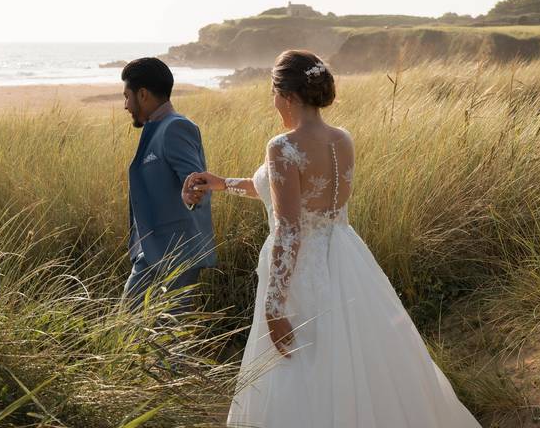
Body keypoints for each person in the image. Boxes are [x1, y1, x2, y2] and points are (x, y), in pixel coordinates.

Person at [185, 50, 482, 427]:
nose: (273, 101)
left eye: (273, 93)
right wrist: (222, 183)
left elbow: (290, 228)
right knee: (357, 357)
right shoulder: (342, 139)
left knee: (301, 364)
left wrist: (274, 307)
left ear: (287, 96)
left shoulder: (282, 146)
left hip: (302, 270)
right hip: (345, 255)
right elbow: (293, 194)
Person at [121, 57, 216, 313]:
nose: (126, 105)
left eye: (127, 96)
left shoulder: (176, 127)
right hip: (152, 252)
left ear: (142, 94)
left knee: (164, 339)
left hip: (176, 253)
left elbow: (196, 181)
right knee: (133, 330)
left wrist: (192, 196)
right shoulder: (155, 128)